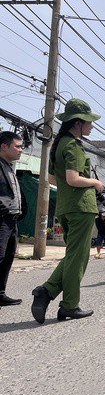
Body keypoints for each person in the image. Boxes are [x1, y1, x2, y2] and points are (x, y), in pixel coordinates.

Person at [31, 98, 104, 323]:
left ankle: (47, 291)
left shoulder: (59, 144)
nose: (92, 126)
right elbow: (72, 179)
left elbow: (53, 178)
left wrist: (72, 186)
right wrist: (95, 184)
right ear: (77, 124)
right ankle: (69, 305)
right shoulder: (72, 145)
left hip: (66, 206)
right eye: (88, 122)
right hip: (80, 207)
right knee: (78, 258)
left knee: (73, 256)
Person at [0, 131, 26, 308]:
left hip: (12, 220)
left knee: (8, 256)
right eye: (17, 146)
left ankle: (0, 294)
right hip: (2, 219)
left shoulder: (8, 166)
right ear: (4, 146)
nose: (21, 150)